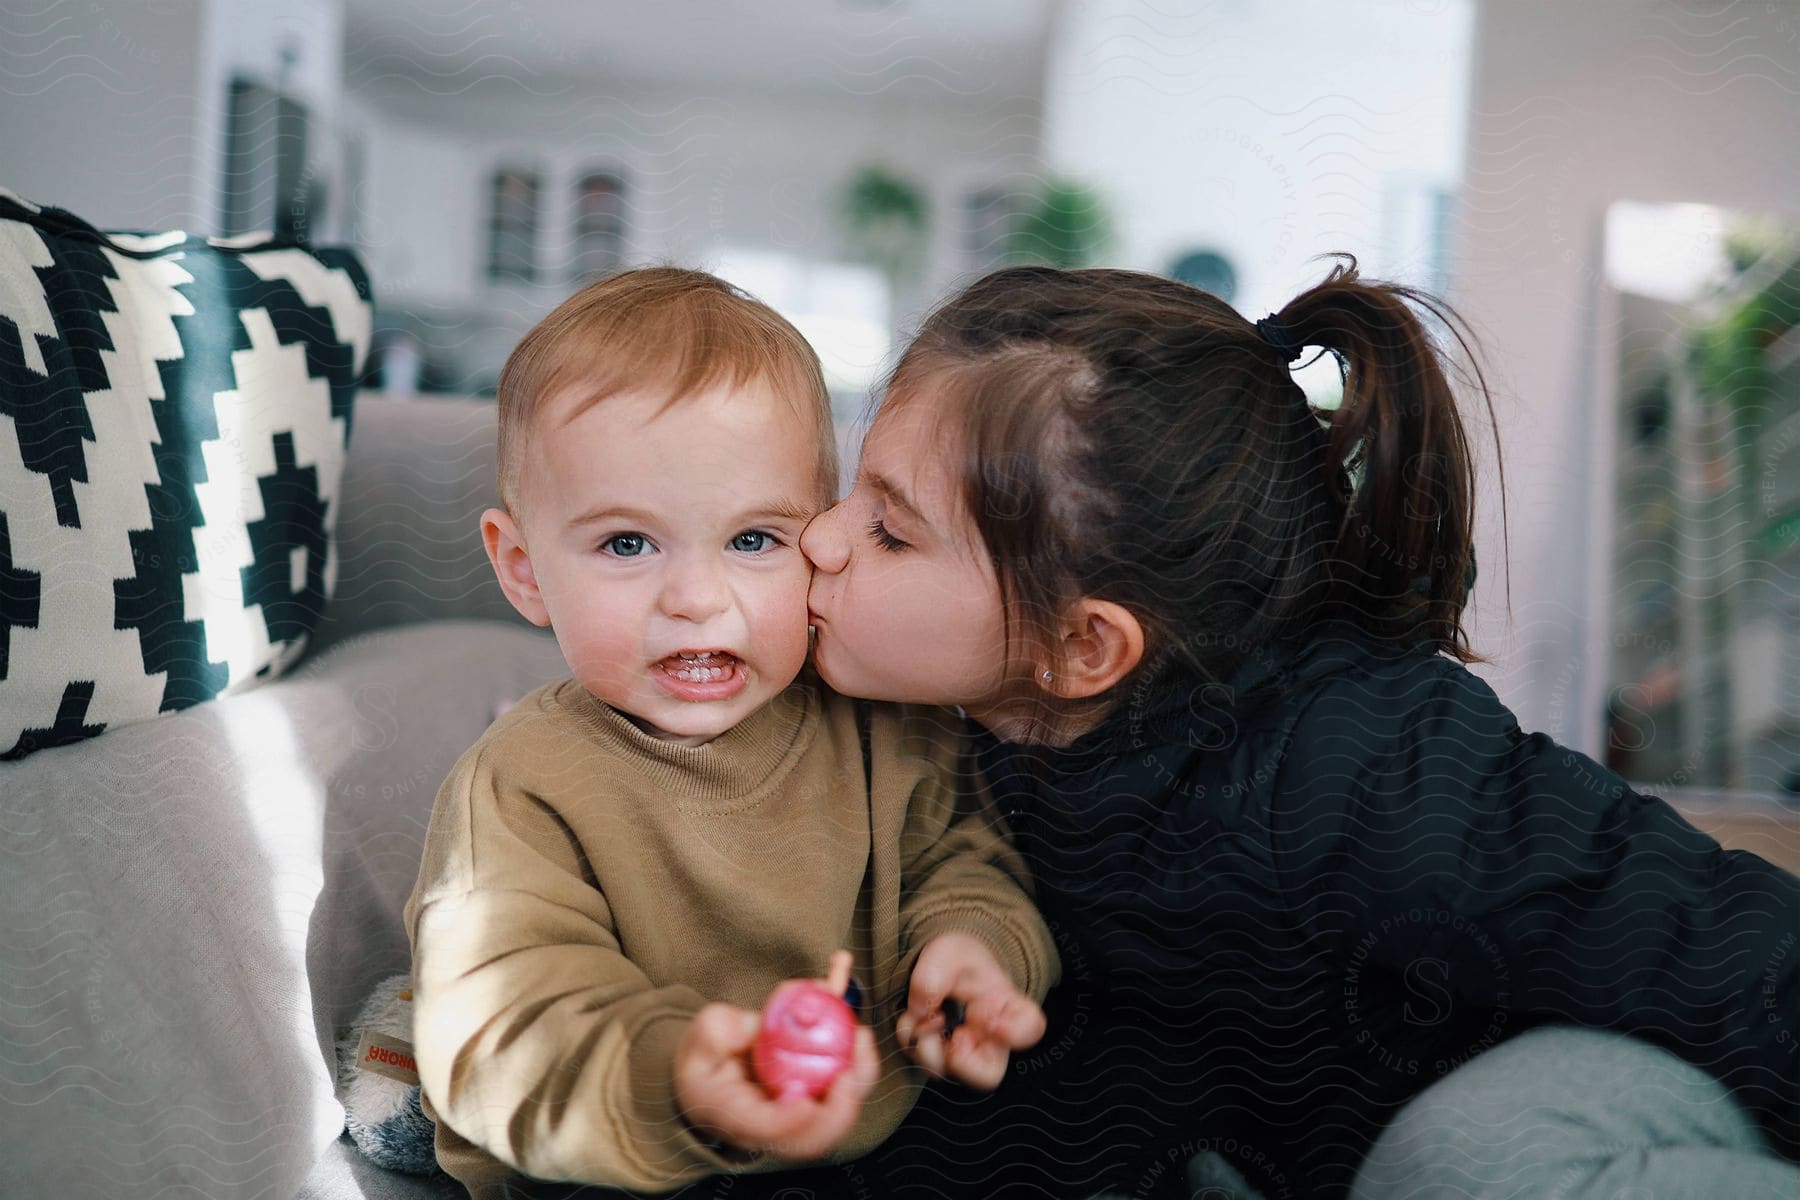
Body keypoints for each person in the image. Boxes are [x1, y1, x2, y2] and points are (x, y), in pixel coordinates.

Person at [797, 258, 1800, 1199]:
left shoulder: (1364, 760)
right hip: (1297, 1153)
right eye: (851, 490)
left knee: (1465, 1160)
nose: (818, 538)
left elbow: (1715, 949)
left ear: (1080, 647)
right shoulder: (929, 742)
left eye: (889, 529)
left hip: (1594, 1116)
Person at [404, 267, 1058, 1200]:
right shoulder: (524, 785)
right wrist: (677, 1082)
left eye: (755, 540)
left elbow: (966, 862)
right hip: (625, 1166)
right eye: (628, 544)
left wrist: (971, 949)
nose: (698, 600)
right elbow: (500, 1023)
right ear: (524, 569)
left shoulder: (889, 731)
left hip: (866, 1157)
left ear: (821, 535)